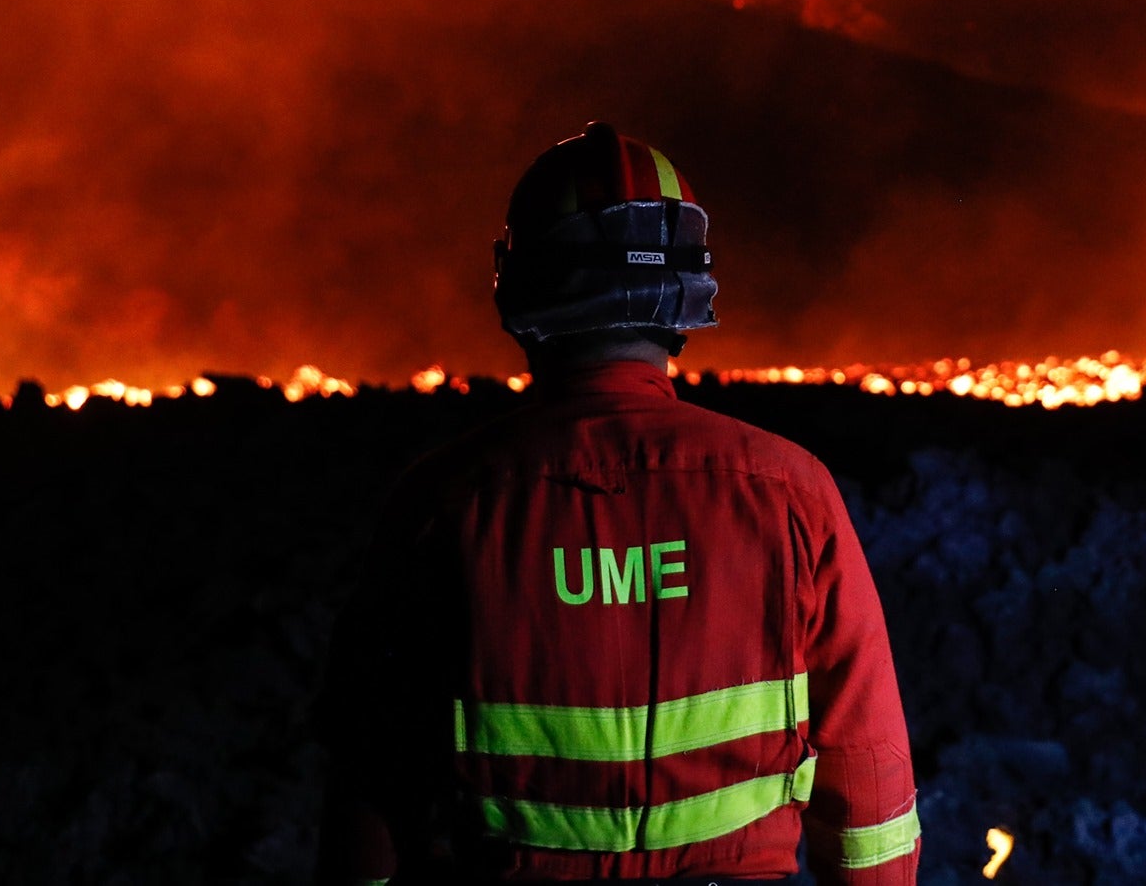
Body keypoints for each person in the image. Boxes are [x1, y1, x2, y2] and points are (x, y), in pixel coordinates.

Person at [314, 124, 919, 886]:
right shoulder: (793, 493)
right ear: (688, 289)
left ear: (523, 283)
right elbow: (868, 778)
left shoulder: (443, 505)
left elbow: (372, 786)